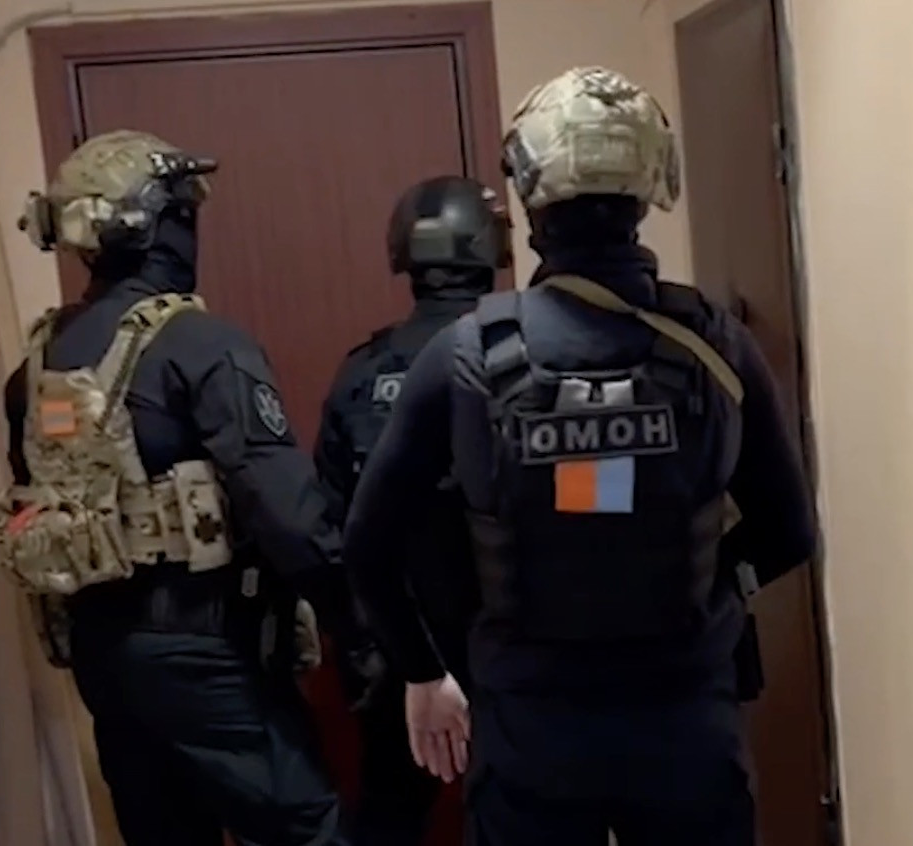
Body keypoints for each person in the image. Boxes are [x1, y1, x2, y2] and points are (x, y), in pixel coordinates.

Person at [341, 68, 819, 846]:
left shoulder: (465, 354)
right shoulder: (718, 344)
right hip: (684, 720)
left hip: (532, 730)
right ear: (649, 188)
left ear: (530, 195)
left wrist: (424, 672)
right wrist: (701, 579)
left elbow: (367, 542)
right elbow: (790, 531)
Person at [0, 129, 383, 846]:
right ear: (155, 222)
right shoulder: (200, 345)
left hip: (103, 655)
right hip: (205, 651)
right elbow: (290, 517)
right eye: (183, 209)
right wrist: (361, 633)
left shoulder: (37, 367)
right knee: (309, 832)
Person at [313, 175, 510, 845]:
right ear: (489, 249)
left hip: (403, 653)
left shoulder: (360, 375)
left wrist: (370, 653)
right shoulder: (526, 358)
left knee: (389, 819)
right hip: (514, 649)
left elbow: (333, 528)